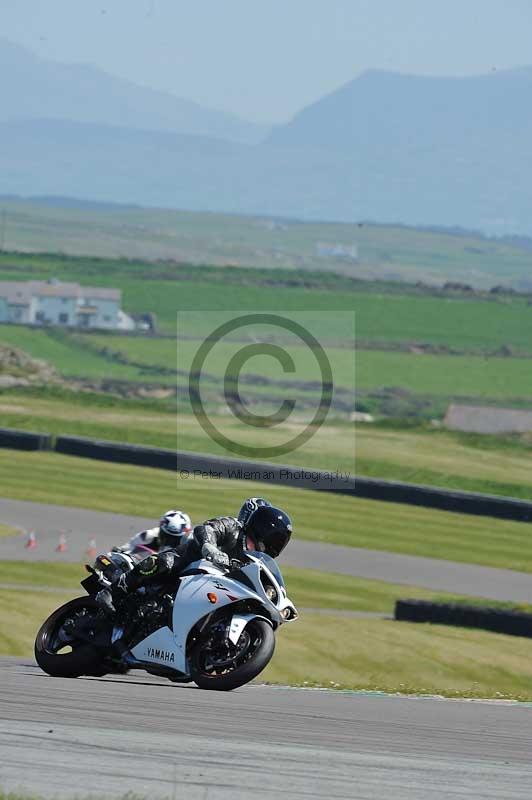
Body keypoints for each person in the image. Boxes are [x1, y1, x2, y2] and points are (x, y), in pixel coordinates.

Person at [96, 498, 292, 615]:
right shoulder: (232, 527)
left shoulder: (254, 559)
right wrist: (210, 547)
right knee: (164, 561)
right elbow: (206, 529)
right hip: (189, 563)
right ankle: (112, 592)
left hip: (212, 587)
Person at [94, 509, 192, 614]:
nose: (169, 542)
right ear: (161, 529)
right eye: (167, 536)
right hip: (139, 570)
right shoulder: (148, 536)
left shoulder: (186, 549)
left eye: (175, 539)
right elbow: (123, 550)